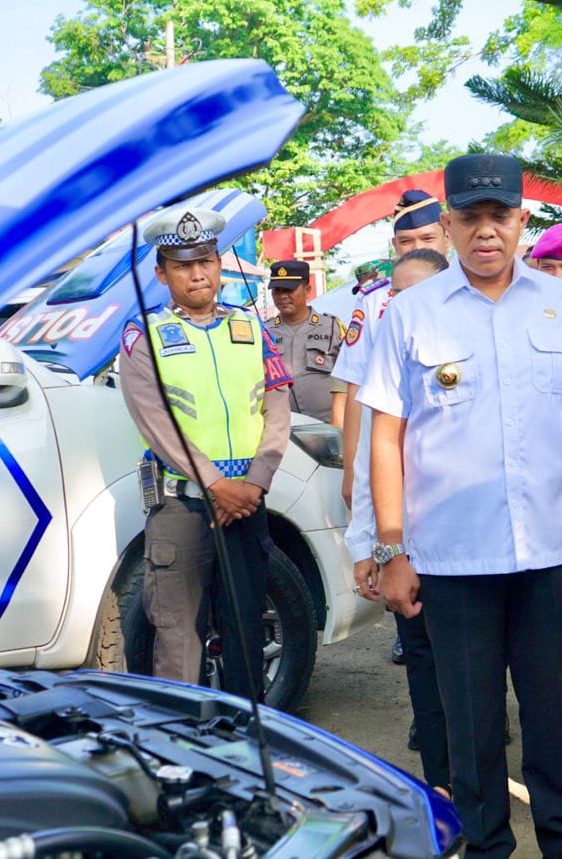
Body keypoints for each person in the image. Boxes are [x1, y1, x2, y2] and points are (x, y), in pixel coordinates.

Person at [361, 153, 562, 859]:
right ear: (446, 225)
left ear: (521, 220)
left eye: (499, 216)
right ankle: (487, 847)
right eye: (470, 217)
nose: (485, 231)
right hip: (453, 558)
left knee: (552, 715)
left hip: (552, 551)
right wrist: (389, 548)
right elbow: (386, 438)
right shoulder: (410, 313)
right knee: (469, 726)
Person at [117, 206, 293, 699]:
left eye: (206, 261)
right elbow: (156, 422)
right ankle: (186, 741)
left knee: (246, 630)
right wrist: (217, 484)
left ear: (218, 265)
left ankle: (248, 735)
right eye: (182, 265)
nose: (197, 274)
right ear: (162, 274)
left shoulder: (252, 328)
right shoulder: (142, 335)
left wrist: (254, 484)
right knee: (179, 640)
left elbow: (277, 408)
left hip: (247, 505)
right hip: (184, 508)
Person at [344, 248, 453, 792]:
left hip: (472, 550)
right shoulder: (385, 363)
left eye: (416, 293)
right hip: (408, 550)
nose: (401, 305)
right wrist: (369, 546)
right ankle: (442, 788)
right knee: (425, 674)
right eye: (395, 295)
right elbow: (371, 463)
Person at [266, 259, 346, 425]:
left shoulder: (332, 328)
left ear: (307, 290)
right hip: (282, 429)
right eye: (277, 290)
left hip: (327, 427)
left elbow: (349, 377)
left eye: (289, 290)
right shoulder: (265, 332)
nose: (282, 296)